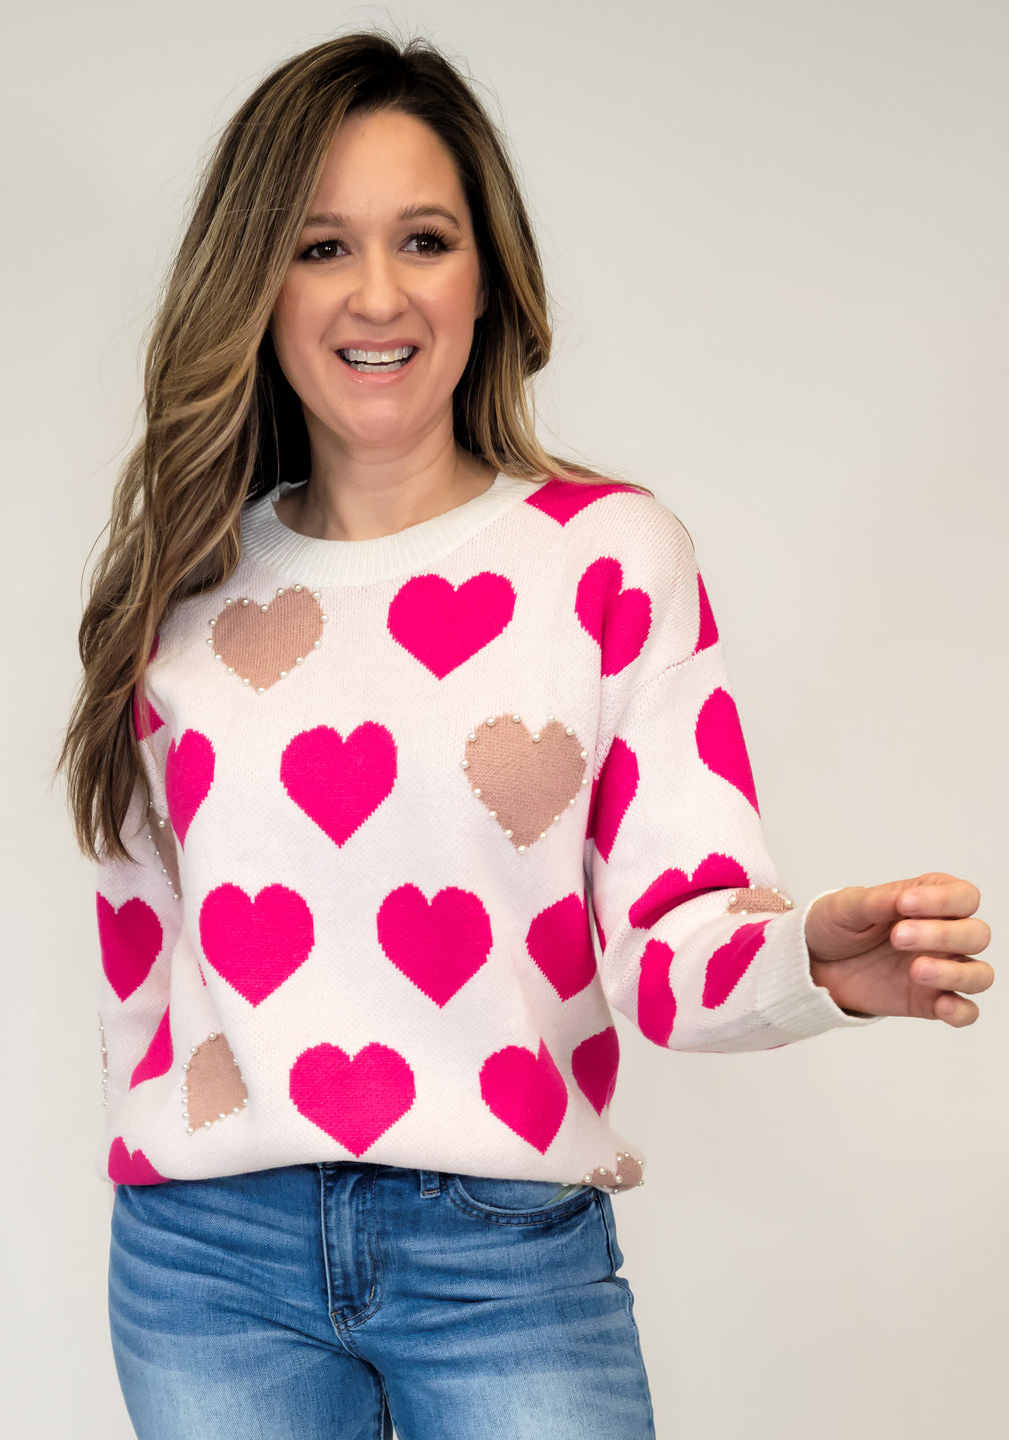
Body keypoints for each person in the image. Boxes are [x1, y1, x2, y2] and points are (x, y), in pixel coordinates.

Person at [56, 29, 993, 1440]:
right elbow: (145, 959)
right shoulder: (180, 594)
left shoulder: (607, 557)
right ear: (255, 282)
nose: (378, 293)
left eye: (424, 240)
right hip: (208, 1265)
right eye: (320, 247)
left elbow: (673, 936)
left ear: (486, 276)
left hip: (502, 1259)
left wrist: (807, 963)